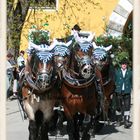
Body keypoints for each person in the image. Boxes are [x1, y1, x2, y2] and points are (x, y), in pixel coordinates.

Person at [114, 58, 132, 128]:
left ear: (127, 65)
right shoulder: (117, 72)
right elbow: (114, 81)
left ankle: (126, 121)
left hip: (127, 92)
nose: (124, 65)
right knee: (118, 107)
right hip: (118, 91)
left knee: (127, 107)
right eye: (123, 64)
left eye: (125, 64)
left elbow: (132, 82)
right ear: (121, 65)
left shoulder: (130, 72)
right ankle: (118, 120)